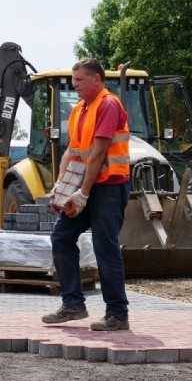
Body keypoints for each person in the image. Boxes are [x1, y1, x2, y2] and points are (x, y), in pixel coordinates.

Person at [42, 58, 131, 330]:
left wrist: (82, 194)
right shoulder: (80, 109)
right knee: (61, 236)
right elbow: (72, 151)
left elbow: (99, 153)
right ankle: (73, 305)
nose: (74, 84)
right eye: (74, 79)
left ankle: (117, 314)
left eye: (79, 79)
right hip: (87, 187)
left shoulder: (107, 104)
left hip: (109, 188)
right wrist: (60, 188)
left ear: (97, 79)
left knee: (106, 248)